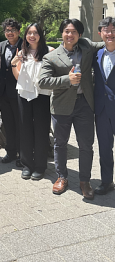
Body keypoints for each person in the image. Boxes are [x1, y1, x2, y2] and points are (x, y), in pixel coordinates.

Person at [39, 19, 104, 199]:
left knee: (86, 145)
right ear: (62, 33)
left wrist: (109, 33)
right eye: (67, 31)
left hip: (85, 104)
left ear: (80, 34)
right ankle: (62, 177)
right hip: (61, 105)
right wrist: (67, 80)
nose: (70, 34)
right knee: (60, 144)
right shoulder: (50, 57)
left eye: (74, 31)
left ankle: (85, 181)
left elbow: (106, 42)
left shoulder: (86, 46)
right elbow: (42, 82)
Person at [11, 23, 54, 181]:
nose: (32, 36)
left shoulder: (49, 52)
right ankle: (27, 164)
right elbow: (17, 76)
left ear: (40, 35)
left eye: (35, 33)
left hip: (43, 95)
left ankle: (40, 166)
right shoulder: (22, 52)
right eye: (29, 33)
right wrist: (14, 63)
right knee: (25, 129)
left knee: (41, 130)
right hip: (24, 94)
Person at [92, 17, 115, 195]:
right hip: (101, 110)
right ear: (100, 33)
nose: (110, 33)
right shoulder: (97, 54)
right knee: (104, 149)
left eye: (113, 29)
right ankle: (106, 181)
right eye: (106, 30)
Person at [0, 18, 23, 166]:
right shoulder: (1, 46)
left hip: (19, 91)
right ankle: (11, 152)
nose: (10, 33)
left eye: (13, 30)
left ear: (19, 31)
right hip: (3, 92)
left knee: (19, 123)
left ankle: (22, 154)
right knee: (7, 123)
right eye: (7, 30)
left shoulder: (25, 46)